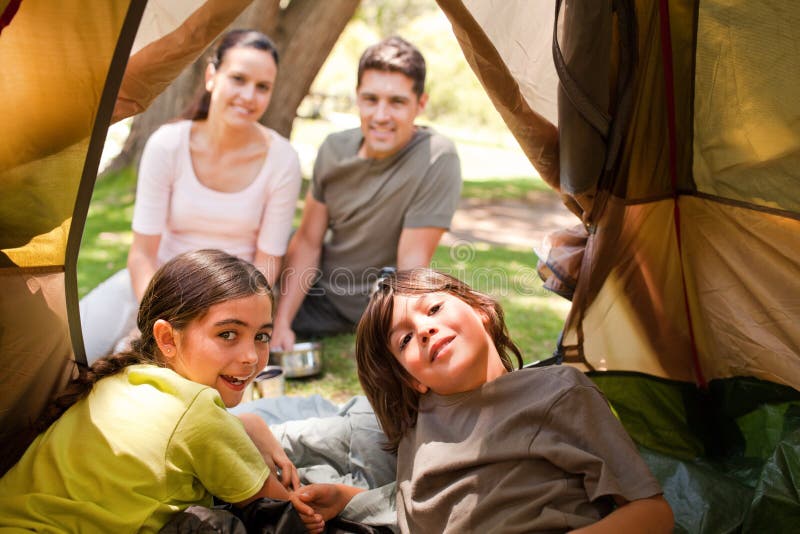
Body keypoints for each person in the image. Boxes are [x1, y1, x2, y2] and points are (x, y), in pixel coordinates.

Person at [0, 250, 328, 533]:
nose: (251, 356)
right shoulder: (198, 413)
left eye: (262, 336)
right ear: (168, 338)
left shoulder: (121, 380)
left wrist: (251, 426)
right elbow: (292, 516)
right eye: (228, 334)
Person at [354, 268, 675, 533]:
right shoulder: (417, 431)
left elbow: (652, 513)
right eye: (405, 339)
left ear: (481, 311)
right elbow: (415, 510)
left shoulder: (557, 392)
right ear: (412, 379)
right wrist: (349, 500)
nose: (424, 329)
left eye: (434, 309)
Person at [80, 29, 302, 363]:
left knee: (136, 375)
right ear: (212, 76)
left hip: (229, 301)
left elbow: (266, 265)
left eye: (262, 87)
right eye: (238, 79)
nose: (248, 95)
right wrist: (154, 319)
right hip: (152, 286)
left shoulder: (282, 159)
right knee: (66, 352)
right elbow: (142, 254)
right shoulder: (167, 144)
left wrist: (236, 323)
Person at [270, 36, 462, 350]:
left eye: (397, 102)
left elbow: (411, 263)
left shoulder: (436, 157)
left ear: (421, 104)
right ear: (357, 98)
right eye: (370, 99)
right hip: (316, 296)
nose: (381, 115)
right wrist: (281, 324)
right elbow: (307, 241)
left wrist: (401, 334)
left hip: (374, 308)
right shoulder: (334, 149)